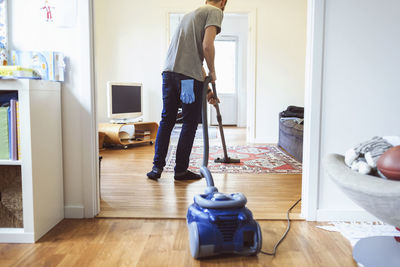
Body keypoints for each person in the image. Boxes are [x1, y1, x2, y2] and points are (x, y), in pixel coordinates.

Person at [147, 0, 228, 181]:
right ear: (223, 2)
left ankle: (156, 168)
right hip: (187, 78)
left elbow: (193, 58)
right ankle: (181, 170)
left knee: (167, 120)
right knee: (190, 123)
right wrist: (213, 71)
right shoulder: (215, 11)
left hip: (169, 74)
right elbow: (207, 46)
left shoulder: (189, 16)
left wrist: (207, 91)